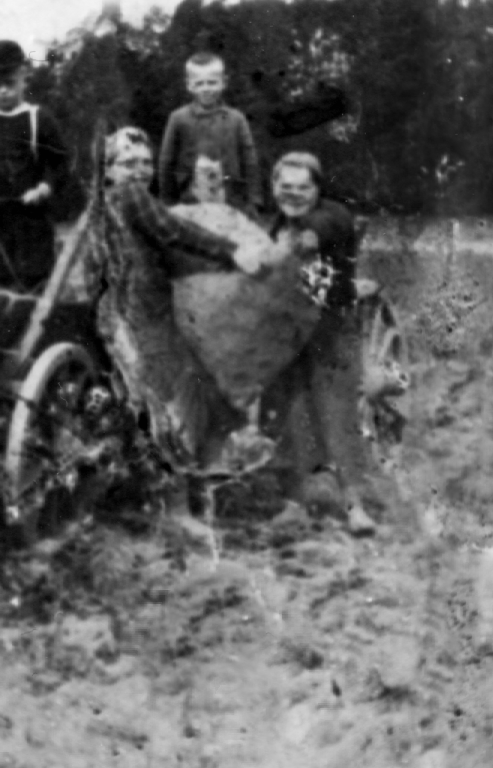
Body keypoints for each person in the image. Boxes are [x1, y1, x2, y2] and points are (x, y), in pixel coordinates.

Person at [90, 126, 267, 530]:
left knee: (167, 396)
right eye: (128, 163)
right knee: (168, 401)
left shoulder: (107, 205)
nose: (139, 170)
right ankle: (179, 510)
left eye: (146, 163)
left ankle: (184, 488)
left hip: (126, 311)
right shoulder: (133, 198)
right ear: (109, 171)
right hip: (137, 316)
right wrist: (232, 250)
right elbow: (174, 231)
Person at [259, 152, 377, 537]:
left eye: (303, 188)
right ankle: (295, 503)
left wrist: (284, 250)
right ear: (275, 188)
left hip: (331, 331)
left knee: (336, 413)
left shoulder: (333, 216)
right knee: (291, 414)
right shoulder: (277, 222)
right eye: (285, 187)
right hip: (290, 334)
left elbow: (315, 234)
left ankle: (354, 506)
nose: (293, 195)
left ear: (318, 189)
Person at [0, 39, 81, 290]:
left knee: (36, 286)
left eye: (9, 83)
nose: (2, 91)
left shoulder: (38, 119)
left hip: (33, 222)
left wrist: (43, 189)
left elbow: (62, 164)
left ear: (23, 76)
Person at [157, 52, 261, 213]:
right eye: (199, 83)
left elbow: (250, 161)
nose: (205, 89)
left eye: (212, 82)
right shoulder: (178, 118)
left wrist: (254, 200)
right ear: (189, 85)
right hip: (190, 201)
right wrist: (168, 203)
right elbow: (166, 162)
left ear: (223, 82)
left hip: (231, 201)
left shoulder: (236, 119)